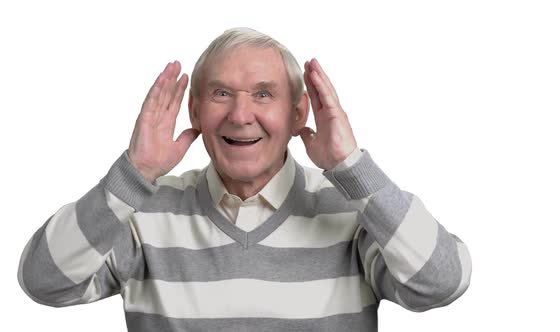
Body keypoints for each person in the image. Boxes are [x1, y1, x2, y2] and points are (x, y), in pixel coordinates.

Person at [18, 27, 472, 331]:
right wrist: (134, 177)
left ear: (297, 113)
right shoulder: (144, 213)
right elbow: (43, 282)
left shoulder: (351, 213)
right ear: (194, 112)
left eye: (263, 94)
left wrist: (352, 169)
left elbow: (442, 283)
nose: (240, 115)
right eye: (220, 94)